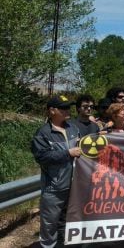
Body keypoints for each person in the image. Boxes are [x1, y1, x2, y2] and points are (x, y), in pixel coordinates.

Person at [31, 95, 82, 248]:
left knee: (68, 222)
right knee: (49, 225)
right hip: (54, 188)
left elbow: (81, 150)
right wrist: (68, 153)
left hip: (74, 186)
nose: (68, 110)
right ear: (52, 111)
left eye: (68, 107)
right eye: (64, 108)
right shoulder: (43, 133)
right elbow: (42, 157)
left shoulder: (73, 128)